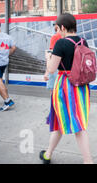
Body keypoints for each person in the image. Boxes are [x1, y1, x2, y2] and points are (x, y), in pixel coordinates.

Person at [40, 13, 93, 164]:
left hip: (66, 86)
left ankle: (88, 161)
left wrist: (48, 57)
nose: (58, 31)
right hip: (82, 86)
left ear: (63, 27)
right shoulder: (83, 41)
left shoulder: (61, 44)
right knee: (61, 120)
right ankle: (48, 154)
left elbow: (51, 69)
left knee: (77, 125)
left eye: (57, 28)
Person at [43, 23, 62, 93]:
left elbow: (52, 55)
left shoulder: (55, 37)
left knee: (54, 92)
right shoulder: (67, 37)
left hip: (56, 67)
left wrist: (46, 72)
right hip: (65, 68)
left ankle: (55, 104)